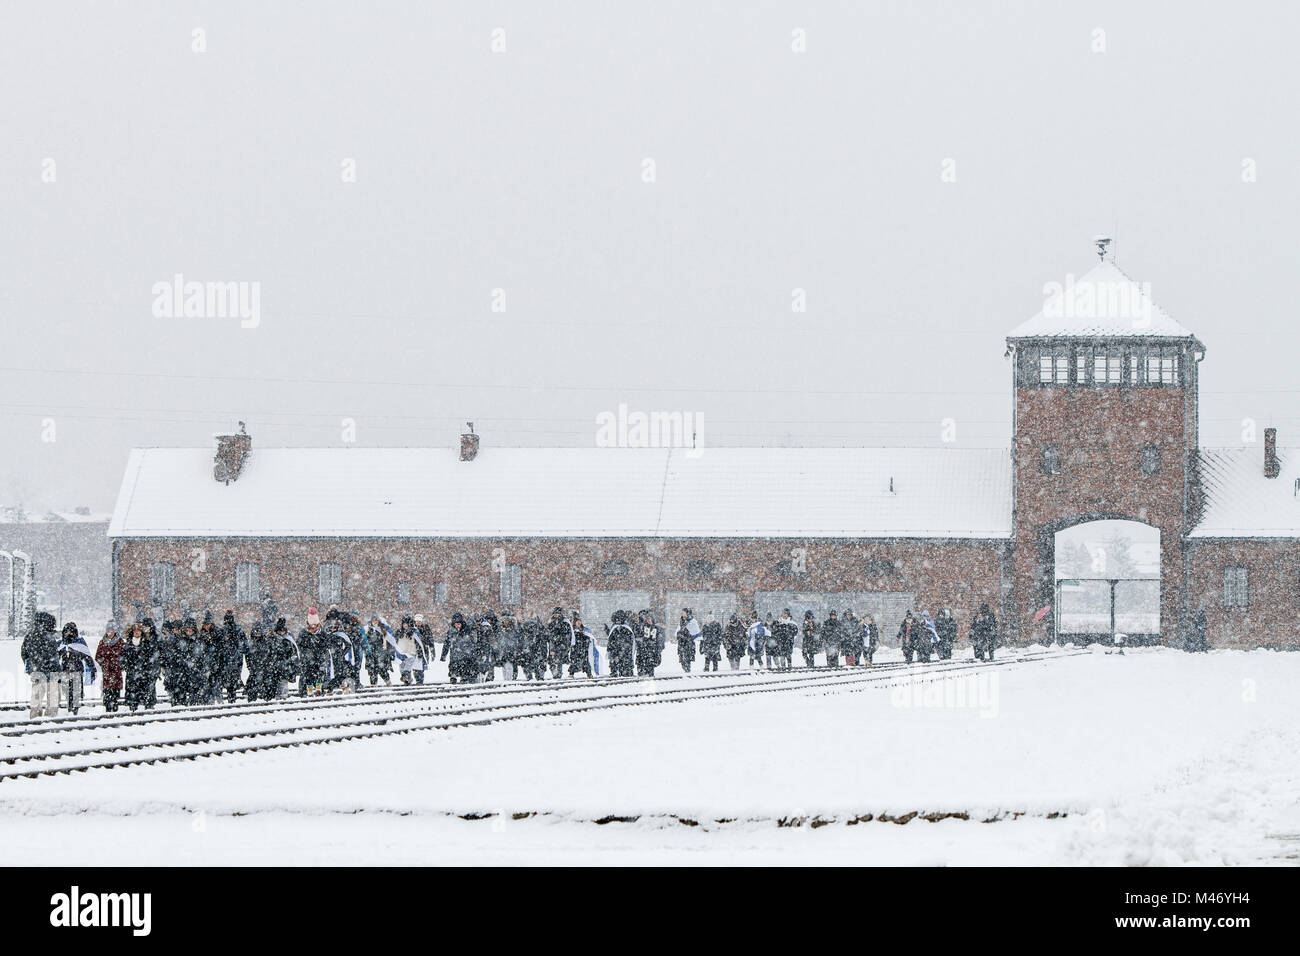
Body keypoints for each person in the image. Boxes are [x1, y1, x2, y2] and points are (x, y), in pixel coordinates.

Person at [21, 611, 61, 719]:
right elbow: (54, 658)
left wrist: (32, 666)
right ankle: (50, 721)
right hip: (51, 674)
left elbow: (24, 654)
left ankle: (34, 719)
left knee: (36, 700)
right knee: (52, 700)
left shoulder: (29, 636)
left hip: (36, 673)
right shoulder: (49, 638)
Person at [59, 622, 98, 715]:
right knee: (67, 692)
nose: (68, 633)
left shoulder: (80, 642)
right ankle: (70, 708)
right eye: (66, 631)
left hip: (77, 670)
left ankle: (75, 710)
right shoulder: (61, 643)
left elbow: (87, 656)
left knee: (76, 691)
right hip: (65, 670)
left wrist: (93, 669)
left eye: (70, 631)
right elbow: (55, 657)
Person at [123, 620, 162, 710]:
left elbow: (151, 657)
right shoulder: (128, 645)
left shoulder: (147, 644)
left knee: (147, 696)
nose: (137, 632)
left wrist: (146, 667)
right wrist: (128, 667)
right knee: (132, 697)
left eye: (139, 630)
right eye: (135, 630)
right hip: (132, 675)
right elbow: (123, 658)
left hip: (145, 675)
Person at [95, 620, 125, 712]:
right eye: (108, 631)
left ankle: (114, 709)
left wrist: (118, 663)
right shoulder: (102, 642)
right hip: (107, 673)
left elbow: (125, 657)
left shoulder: (120, 642)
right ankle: (108, 710)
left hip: (116, 672)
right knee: (107, 693)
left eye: (111, 631)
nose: (109, 633)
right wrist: (104, 663)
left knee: (115, 694)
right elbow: (98, 656)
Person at [217, 610, 247, 702]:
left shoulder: (223, 630)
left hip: (228, 660)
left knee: (225, 683)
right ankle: (231, 701)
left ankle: (225, 702)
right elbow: (244, 645)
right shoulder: (238, 630)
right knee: (231, 685)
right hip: (233, 661)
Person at [297, 607, 328, 696]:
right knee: (308, 677)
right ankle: (308, 692)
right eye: (312, 625)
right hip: (307, 659)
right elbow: (300, 644)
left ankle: (319, 691)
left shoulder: (322, 633)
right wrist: (306, 652)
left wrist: (320, 650)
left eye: (315, 625)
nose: (314, 628)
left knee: (320, 675)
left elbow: (326, 644)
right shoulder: (303, 633)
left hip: (319, 658)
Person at [442, 612, 477, 684]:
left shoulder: (466, 631)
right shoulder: (451, 632)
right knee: (453, 666)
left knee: (464, 666)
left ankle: (463, 677)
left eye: (459, 624)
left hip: (465, 654)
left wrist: (473, 652)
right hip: (454, 654)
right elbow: (446, 644)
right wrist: (443, 655)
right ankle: (453, 676)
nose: (457, 626)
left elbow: (471, 643)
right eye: (456, 624)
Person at [365, 616, 396, 685]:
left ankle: (388, 683)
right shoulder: (368, 630)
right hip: (371, 653)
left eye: (376, 620)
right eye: (374, 620)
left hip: (381, 652)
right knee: (372, 671)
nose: (375, 622)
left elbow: (389, 642)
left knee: (382, 669)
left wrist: (390, 652)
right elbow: (365, 641)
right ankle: (373, 685)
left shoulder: (383, 629)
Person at [607, 611, 636, 677]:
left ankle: (626, 671)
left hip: (624, 648)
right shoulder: (614, 627)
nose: (618, 621)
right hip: (616, 648)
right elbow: (611, 637)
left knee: (625, 660)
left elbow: (630, 638)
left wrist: (625, 645)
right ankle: (615, 671)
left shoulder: (626, 627)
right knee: (615, 660)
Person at [634, 611, 663, 677]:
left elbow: (659, 640)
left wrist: (657, 649)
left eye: (649, 619)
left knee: (650, 667)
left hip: (651, 652)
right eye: (647, 619)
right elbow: (638, 637)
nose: (648, 620)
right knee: (642, 668)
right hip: (643, 651)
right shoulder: (642, 627)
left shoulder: (656, 628)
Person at [521, 615, 549, 680]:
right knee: (538, 663)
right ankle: (538, 676)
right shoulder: (541, 630)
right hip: (537, 650)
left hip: (536, 650)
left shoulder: (528, 631)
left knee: (531, 663)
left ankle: (532, 676)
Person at [547, 607, 571, 679]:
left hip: (561, 645)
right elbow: (549, 634)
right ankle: (555, 673)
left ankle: (558, 674)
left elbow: (567, 634)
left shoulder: (565, 623)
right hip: (553, 644)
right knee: (551, 660)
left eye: (557, 614)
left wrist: (562, 641)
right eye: (555, 614)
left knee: (559, 661)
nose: (556, 615)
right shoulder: (551, 623)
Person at [497, 611, 523, 681]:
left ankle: (512, 680)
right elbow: (498, 640)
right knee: (505, 667)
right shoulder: (500, 630)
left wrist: (518, 649)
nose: (506, 622)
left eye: (507, 620)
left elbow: (520, 639)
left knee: (511, 667)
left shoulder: (515, 629)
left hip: (512, 650)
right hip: (503, 651)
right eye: (504, 620)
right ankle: (506, 680)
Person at [569, 612, 594, 678]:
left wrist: (585, 640)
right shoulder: (572, 630)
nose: (579, 622)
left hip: (583, 648)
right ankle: (571, 674)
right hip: (575, 648)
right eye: (577, 621)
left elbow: (589, 638)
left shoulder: (585, 630)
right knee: (574, 661)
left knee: (585, 661)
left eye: (580, 621)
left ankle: (589, 674)